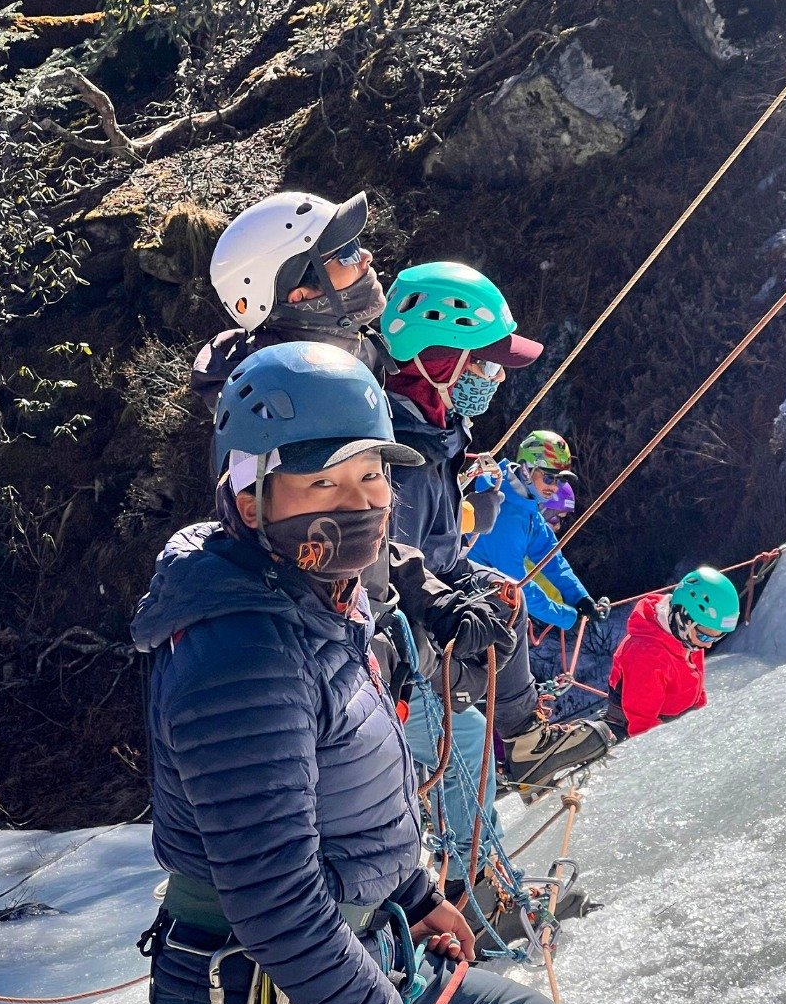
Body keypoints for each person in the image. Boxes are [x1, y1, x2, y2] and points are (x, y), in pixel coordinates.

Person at [131, 341, 700, 1004]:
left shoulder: (311, 595)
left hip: (341, 961)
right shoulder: (240, 654)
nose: (355, 502)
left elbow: (350, 795)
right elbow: (272, 896)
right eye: (324, 480)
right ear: (251, 491)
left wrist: (416, 891)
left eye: (370, 475)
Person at [194, 196, 514, 873]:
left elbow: (357, 520)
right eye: (342, 256)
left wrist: (423, 588)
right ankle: (461, 892)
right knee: (428, 758)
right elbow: (322, 528)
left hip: (356, 623)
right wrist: (422, 591)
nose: (365, 261)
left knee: (444, 747)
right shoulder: (287, 397)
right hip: (328, 642)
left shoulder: (323, 370)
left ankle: (451, 891)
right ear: (299, 289)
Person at [381, 263, 613, 793]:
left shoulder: (437, 433)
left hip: (439, 612)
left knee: (503, 596)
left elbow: (540, 556)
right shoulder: (405, 453)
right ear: (441, 361)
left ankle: (526, 739)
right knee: (464, 754)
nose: (500, 376)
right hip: (414, 635)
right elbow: (397, 571)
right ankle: (471, 868)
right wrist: (463, 675)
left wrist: (466, 525)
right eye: (487, 364)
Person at [192, 189, 392, 412]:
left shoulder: (363, 350)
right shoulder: (269, 401)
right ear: (301, 297)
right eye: (348, 252)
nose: (366, 256)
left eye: (356, 242)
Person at [470, 429, 607, 634]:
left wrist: (580, 598)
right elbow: (518, 585)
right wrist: (567, 617)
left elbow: (550, 556)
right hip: (472, 599)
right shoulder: (506, 516)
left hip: (488, 601)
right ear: (525, 470)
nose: (555, 487)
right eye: (550, 478)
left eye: (561, 481)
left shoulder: (525, 504)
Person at [606, 567, 740, 741]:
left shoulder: (687, 637)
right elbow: (642, 727)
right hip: (641, 728)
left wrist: (702, 715)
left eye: (719, 636)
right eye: (704, 635)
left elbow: (696, 681)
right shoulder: (646, 656)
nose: (708, 644)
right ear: (684, 619)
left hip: (675, 719)